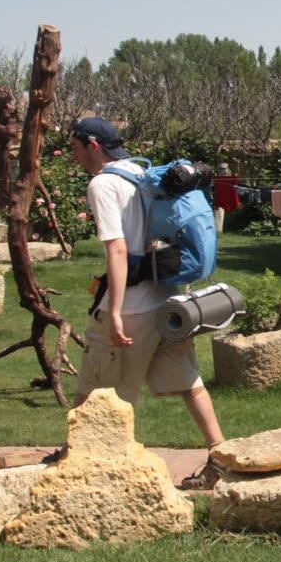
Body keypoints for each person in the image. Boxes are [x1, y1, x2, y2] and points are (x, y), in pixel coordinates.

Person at [67, 116, 229, 489]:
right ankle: (220, 459)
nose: (73, 155)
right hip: (170, 299)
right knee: (190, 383)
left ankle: (76, 468)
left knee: (96, 391)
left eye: (75, 148)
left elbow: (118, 248)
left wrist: (115, 311)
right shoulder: (143, 173)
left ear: (93, 146)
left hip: (135, 305)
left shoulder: (103, 184)